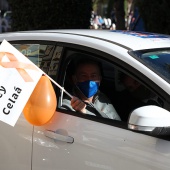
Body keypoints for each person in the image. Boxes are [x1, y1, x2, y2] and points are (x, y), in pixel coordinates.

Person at [62, 56, 121, 121]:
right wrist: (82, 114)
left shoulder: (102, 98)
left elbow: (116, 121)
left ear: (99, 79)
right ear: (75, 79)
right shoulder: (66, 104)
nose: (89, 80)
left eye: (93, 76)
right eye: (84, 75)